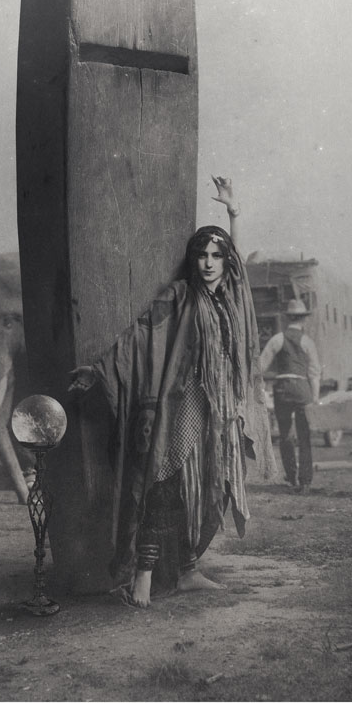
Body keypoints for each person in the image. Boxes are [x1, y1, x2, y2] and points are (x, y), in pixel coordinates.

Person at [68, 176, 276, 608]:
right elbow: (140, 335)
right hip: (186, 405)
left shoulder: (232, 300)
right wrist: (99, 370)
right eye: (202, 255)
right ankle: (143, 574)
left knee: (205, 486)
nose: (209, 263)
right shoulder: (182, 296)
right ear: (192, 260)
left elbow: (239, 265)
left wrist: (234, 214)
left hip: (220, 412)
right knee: (162, 482)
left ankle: (187, 571)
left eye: (216, 256)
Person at [259, 299, 322, 493]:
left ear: (288, 319)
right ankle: (305, 481)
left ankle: (292, 476)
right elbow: (314, 373)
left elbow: (261, 366)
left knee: (285, 434)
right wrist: (315, 398)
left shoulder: (277, 339)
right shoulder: (308, 342)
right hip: (302, 388)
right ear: (303, 320)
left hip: (283, 388)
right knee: (304, 436)